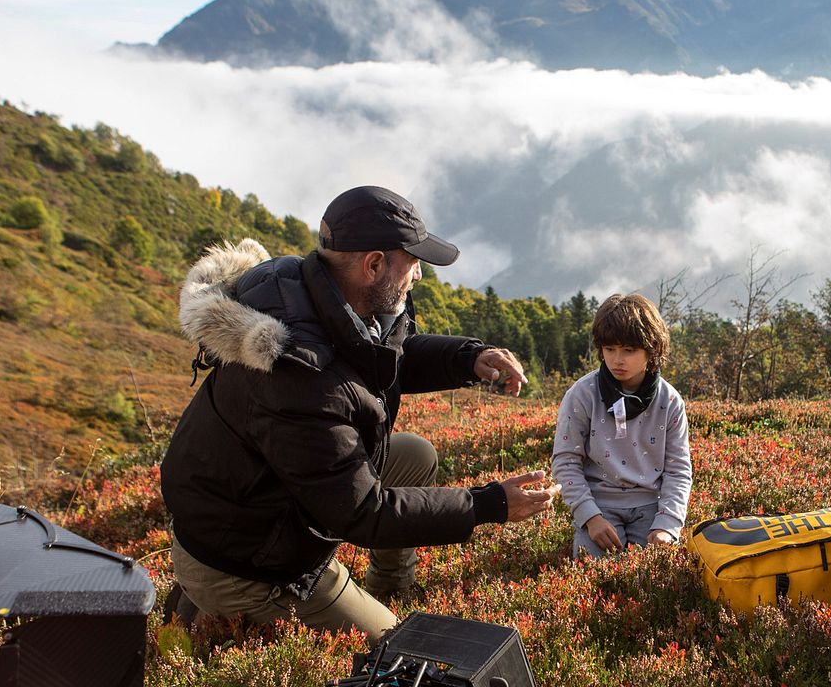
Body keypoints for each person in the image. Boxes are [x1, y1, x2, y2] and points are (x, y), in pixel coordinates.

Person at [161, 185, 559, 646]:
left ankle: (391, 586)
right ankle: (211, 609)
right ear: (373, 265)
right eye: (412, 264)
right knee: (401, 651)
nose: (418, 277)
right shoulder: (299, 377)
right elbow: (365, 514)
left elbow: (386, 353)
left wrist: (469, 359)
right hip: (250, 559)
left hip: (273, 498)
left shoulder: (324, 295)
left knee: (415, 454)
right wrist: (491, 504)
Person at [551, 293, 692, 559]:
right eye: (610, 349)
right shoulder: (583, 394)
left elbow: (678, 469)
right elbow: (565, 460)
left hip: (652, 509)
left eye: (629, 350)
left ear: (652, 350)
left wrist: (668, 525)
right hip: (598, 507)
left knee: (655, 583)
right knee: (591, 582)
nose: (617, 360)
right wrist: (589, 516)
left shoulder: (670, 400)